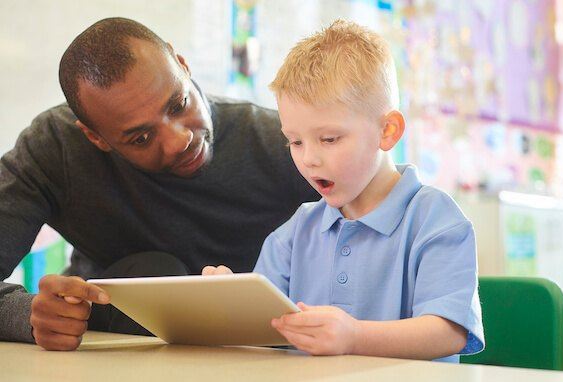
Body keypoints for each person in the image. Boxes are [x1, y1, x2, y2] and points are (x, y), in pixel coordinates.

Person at [0, 17, 317, 351]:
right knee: (155, 270)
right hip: (110, 351)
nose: (179, 140)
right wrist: (30, 315)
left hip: (260, 353)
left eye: (179, 104)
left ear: (181, 63)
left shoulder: (284, 145)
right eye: (142, 137)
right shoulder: (54, 149)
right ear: (96, 138)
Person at [202, 20, 484, 362]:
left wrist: (354, 336)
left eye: (329, 139)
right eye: (294, 141)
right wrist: (226, 304)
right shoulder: (295, 232)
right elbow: (263, 330)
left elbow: (447, 333)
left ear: (388, 131)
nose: (309, 159)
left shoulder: (436, 219)